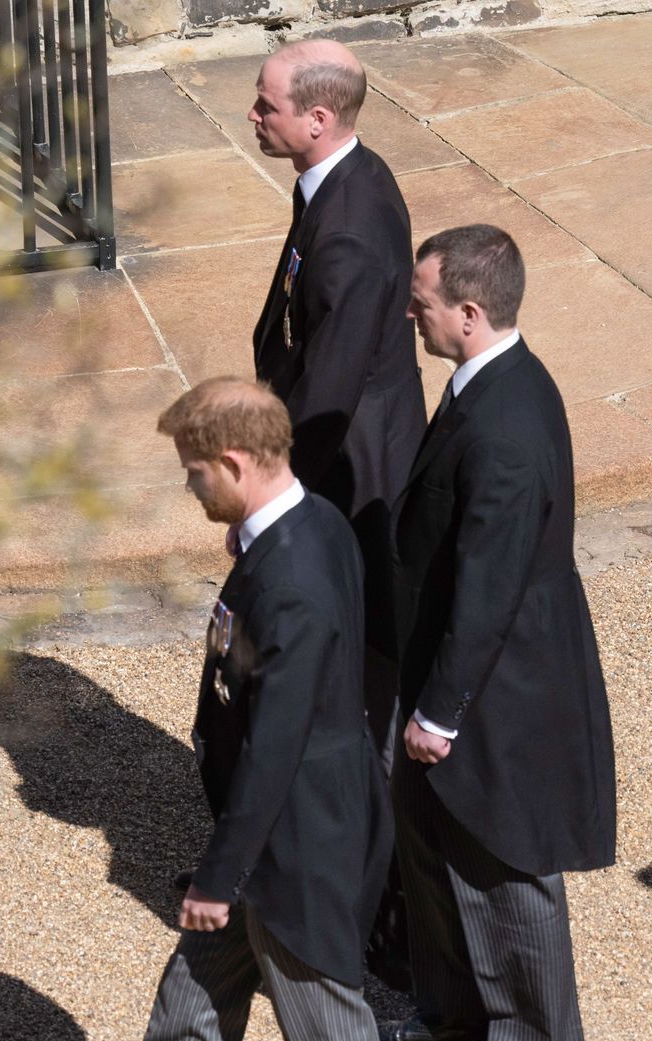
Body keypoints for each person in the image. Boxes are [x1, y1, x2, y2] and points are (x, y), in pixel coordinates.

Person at [107, 377, 398, 1041]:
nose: (190, 485)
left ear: (234, 463)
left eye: (194, 472)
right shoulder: (308, 528)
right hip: (275, 836)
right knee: (188, 1012)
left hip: (294, 849)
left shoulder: (292, 575)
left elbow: (277, 743)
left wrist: (220, 878)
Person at [380, 225, 617, 1041]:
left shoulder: (507, 424)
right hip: (461, 661)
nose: (411, 310)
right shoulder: (486, 385)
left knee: (500, 854)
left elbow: (489, 584)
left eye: (424, 301)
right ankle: (456, 1014)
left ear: (469, 313)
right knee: (434, 837)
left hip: (498, 684)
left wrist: (441, 710)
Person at [249, 38, 426, 763]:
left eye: (267, 104)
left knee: (363, 650)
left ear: (318, 118)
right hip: (355, 442)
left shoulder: (348, 228)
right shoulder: (343, 176)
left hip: (354, 465)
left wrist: (272, 495)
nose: (253, 114)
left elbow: (331, 389)